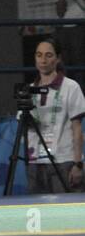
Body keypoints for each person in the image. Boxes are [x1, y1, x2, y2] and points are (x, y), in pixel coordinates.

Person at [22, 38, 84, 193]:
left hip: (64, 161)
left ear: (58, 58)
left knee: (67, 215)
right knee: (38, 214)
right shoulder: (27, 90)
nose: (43, 60)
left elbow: (77, 129)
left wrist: (78, 164)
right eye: (39, 55)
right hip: (36, 163)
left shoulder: (71, 87)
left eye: (48, 55)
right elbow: (23, 128)